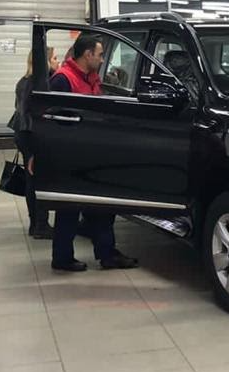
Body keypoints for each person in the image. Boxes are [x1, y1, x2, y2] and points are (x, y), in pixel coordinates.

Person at [48, 34, 138, 272]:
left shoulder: (92, 79)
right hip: (70, 155)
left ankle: (107, 254)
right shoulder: (63, 80)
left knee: (103, 207)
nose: (102, 59)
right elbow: (53, 120)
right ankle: (62, 258)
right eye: (99, 55)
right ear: (87, 55)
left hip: (92, 152)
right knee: (69, 209)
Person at [8, 48, 56, 239]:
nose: (58, 61)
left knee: (32, 179)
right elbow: (34, 114)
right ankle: (40, 225)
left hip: (23, 133)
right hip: (31, 134)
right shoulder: (38, 84)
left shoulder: (24, 81)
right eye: (54, 58)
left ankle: (35, 224)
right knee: (38, 179)